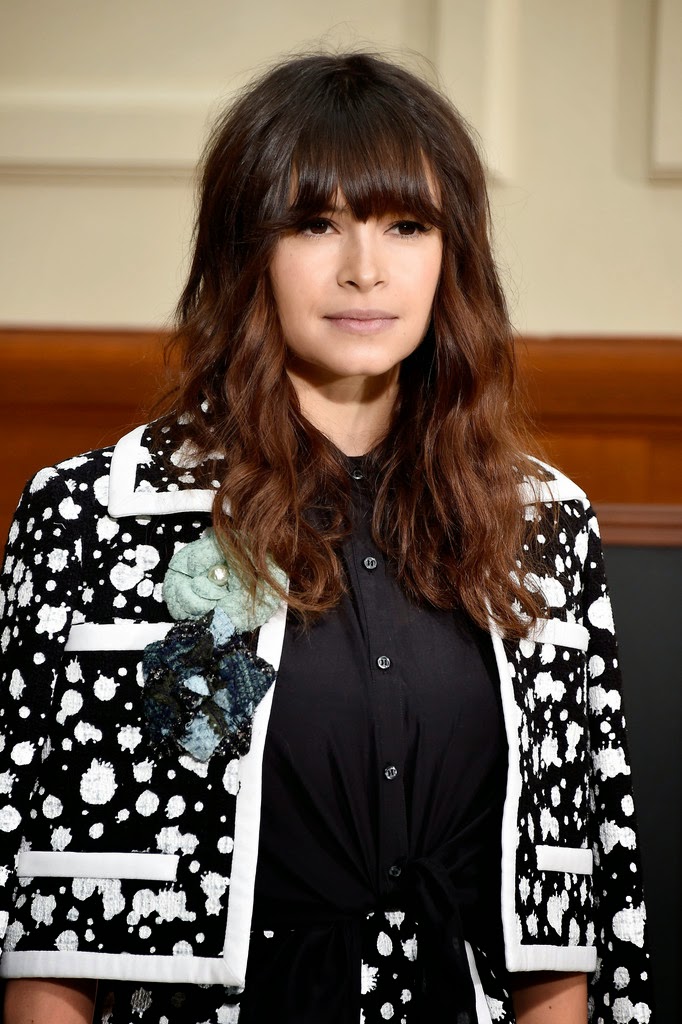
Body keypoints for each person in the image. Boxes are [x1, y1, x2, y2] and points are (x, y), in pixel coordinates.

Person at [0, 52, 651, 1024]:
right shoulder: (93, 517)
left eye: (405, 225)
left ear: (454, 253)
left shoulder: (541, 523)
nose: (364, 269)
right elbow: (48, 912)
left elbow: (570, 906)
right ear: (245, 249)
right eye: (315, 224)